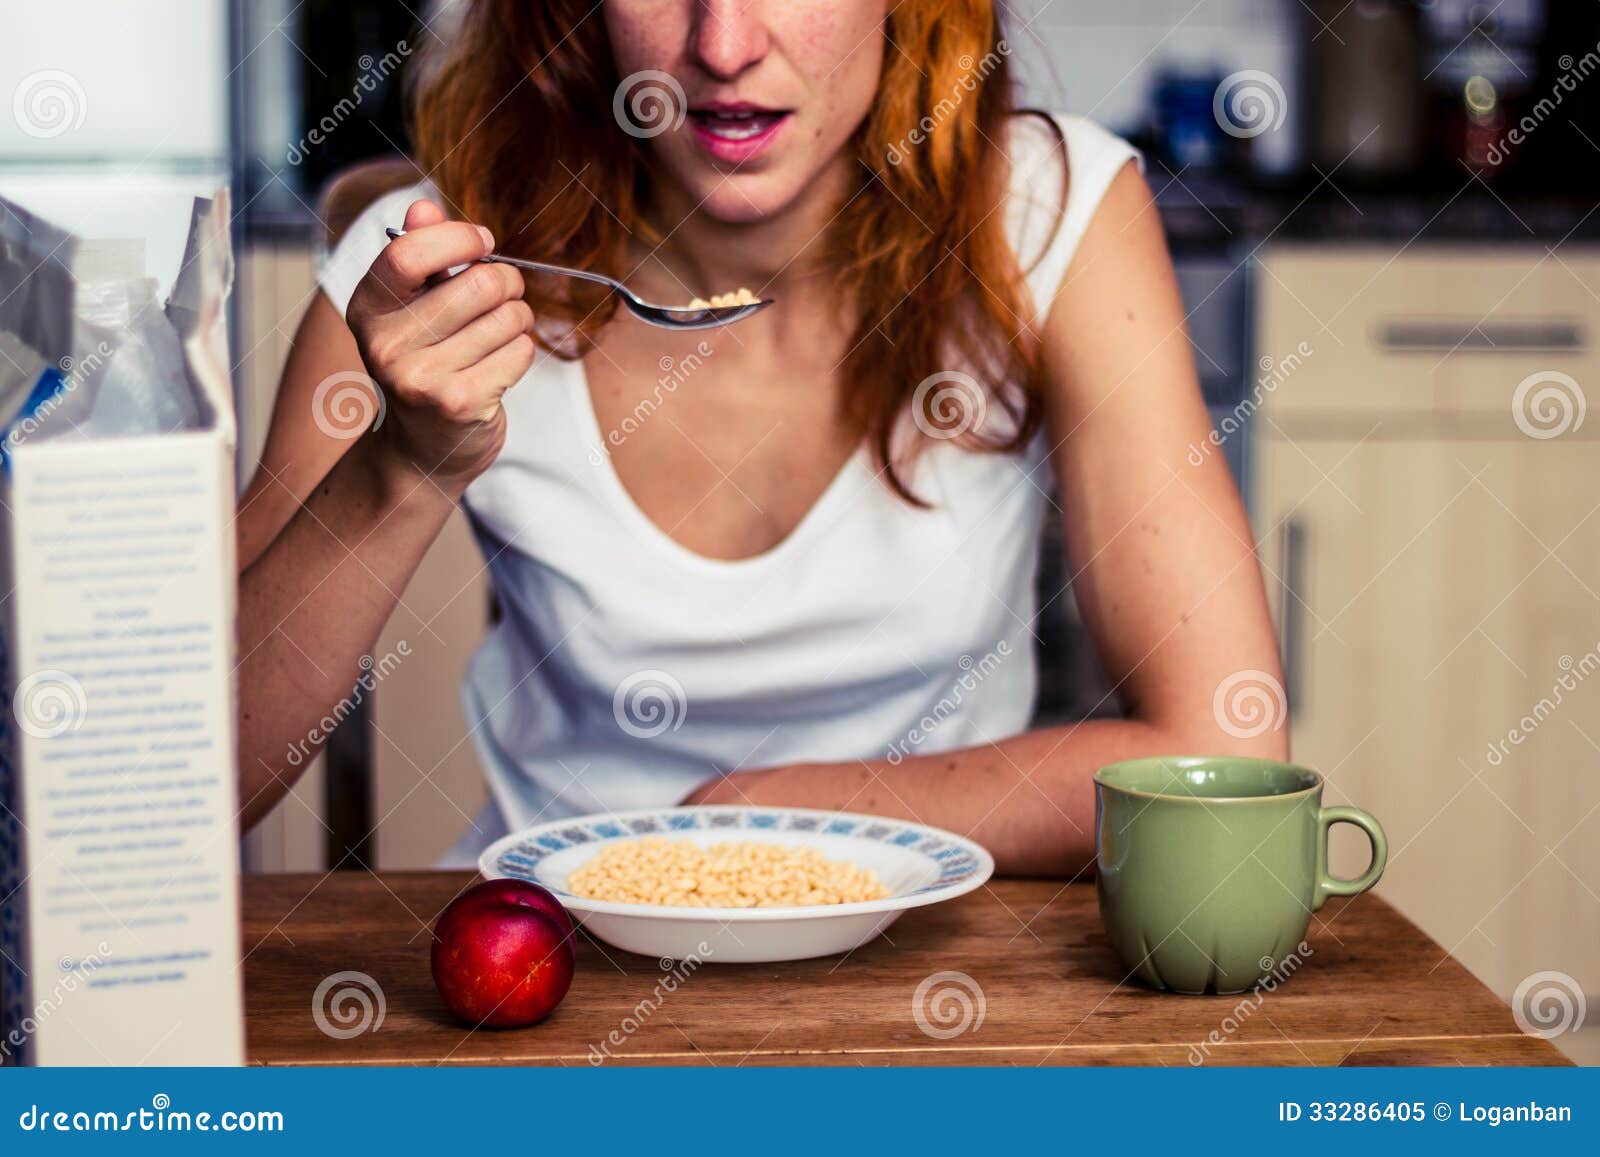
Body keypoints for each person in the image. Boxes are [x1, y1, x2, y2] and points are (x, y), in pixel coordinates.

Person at [236, 0, 1285, 875]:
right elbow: (194, 781)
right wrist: (404, 466)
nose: (725, 45)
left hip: (937, 962)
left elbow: (1226, 742)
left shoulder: (1049, 210)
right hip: (546, 963)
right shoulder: (427, 271)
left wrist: (776, 812)